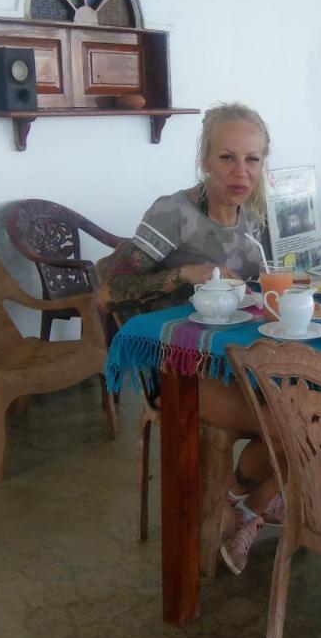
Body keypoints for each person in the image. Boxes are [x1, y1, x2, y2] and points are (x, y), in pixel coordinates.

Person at [96, 102, 281, 575]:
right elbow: (109, 291)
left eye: (252, 159)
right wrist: (183, 274)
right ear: (205, 160)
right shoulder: (173, 213)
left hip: (235, 359)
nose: (241, 172)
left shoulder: (252, 217)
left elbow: (258, 292)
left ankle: (239, 506)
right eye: (227, 158)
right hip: (178, 370)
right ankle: (237, 504)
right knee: (293, 423)